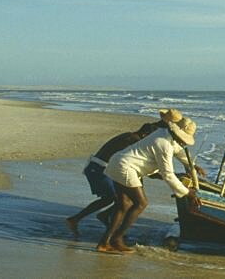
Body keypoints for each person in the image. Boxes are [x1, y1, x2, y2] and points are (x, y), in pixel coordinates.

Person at [64, 108, 182, 236]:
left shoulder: (130, 136)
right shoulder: (133, 141)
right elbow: (134, 167)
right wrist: (172, 177)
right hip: (99, 170)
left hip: (98, 168)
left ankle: (98, 218)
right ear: (146, 135)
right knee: (121, 200)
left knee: (114, 199)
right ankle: (78, 219)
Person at [96, 115, 199, 254]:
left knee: (124, 205)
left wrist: (191, 165)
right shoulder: (164, 144)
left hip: (117, 162)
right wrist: (187, 193)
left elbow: (178, 150)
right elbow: (168, 174)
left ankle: (104, 243)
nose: (183, 142)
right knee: (141, 203)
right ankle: (116, 239)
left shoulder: (165, 133)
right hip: (125, 167)